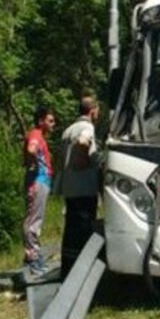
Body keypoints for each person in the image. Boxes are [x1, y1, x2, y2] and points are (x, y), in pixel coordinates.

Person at [56, 97, 102, 278]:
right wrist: (84, 162)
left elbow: (60, 158)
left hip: (70, 187)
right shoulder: (87, 128)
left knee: (70, 230)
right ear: (92, 111)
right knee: (84, 230)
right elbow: (82, 143)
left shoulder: (67, 130)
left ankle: (67, 269)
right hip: (84, 187)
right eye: (97, 110)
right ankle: (82, 271)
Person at [23, 106, 56, 276]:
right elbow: (30, 149)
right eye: (50, 120)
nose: (53, 124)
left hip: (41, 181)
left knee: (36, 220)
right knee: (33, 222)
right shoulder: (35, 135)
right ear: (40, 121)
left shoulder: (40, 136)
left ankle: (32, 256)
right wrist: (34, 164)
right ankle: (33, 259)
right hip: (38, 182)